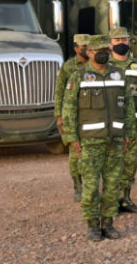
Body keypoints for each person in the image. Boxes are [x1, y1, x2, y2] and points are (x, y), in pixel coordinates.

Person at [62, 35, 136, 241]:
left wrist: (129, 132)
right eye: (97, 50)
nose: (102, 53)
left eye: (105, 49)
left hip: (115, 140)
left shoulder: (119, 74)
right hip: (89, 141)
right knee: (91, 186)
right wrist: (72, 138)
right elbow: (68, 109)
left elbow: (128, 105)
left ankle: (109, 223)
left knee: (113, 184)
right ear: (89, 52)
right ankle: (93, 225)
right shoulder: (79, 76)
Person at [108, 27, 137, 213]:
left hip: (133, 125)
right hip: (110, 126)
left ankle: (125, 198)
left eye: (124, 40)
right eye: (117, 40)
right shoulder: (104, 66)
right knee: (111, 165)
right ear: (110, 44)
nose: (121, 43)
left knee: (130, 163)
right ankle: (111, 202)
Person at [55, 33, 89, 202]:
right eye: (83, 47)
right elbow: (59, 92)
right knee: (75, 153)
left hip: (90, 114)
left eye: (88, 47)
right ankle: (78, 186)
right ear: (76, 48)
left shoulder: (96, 64)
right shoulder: (69, 67)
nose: (86, 50)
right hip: (72, 114)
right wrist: (59, 115)